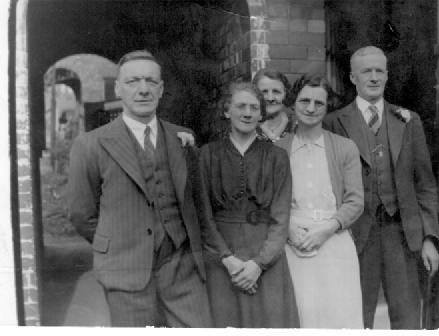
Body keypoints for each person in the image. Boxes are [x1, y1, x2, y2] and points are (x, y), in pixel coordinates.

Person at [67, 50, 211, 327]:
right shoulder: (91, 145)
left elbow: (197, 203)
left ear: (161, 88)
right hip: (125, 272)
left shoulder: (182, 138)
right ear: (118, 89)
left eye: (150, 81)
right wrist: (116, 245)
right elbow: (81, 214)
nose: (143, 90)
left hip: (181, 269)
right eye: (133, 82)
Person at [323, 46, 439, 329]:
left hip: (401, 235)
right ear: (353, 78)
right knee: (354, 317)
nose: (374, 77)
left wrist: (429, 237)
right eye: (366, 71)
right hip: (354, 236)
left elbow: (424, 184)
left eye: (379, 71)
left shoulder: (408, 121)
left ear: (387, 76)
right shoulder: (333, 122)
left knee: (407, 316)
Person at [199, 81, 299, 328]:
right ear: (226, 111)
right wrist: (228, 260)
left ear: (260, 113)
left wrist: (258, 264)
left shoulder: (277, 157)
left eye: (254, 108)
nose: (247, 113)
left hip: (266, 258)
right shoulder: (208, 155)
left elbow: (281, 217)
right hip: (223, 259)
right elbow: (203, 215)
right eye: (240, 106)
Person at [276, 74, 364, 328]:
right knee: (302, 315)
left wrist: (327, 229)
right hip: (292, 241)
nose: (311, 108)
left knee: (339, 316)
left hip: (334, 242)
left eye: (319, 103)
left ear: (327, 108)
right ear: (293, 104)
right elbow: (271, 200)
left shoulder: (345, 148)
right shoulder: (279, 149)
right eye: (304, 101)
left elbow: (355, 200)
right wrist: (289, 227)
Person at [252, 68, 296, 142]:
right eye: (264, 92)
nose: (270, 98)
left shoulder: (297, 129)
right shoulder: (245, 130)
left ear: (286, 94)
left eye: (276, 91)